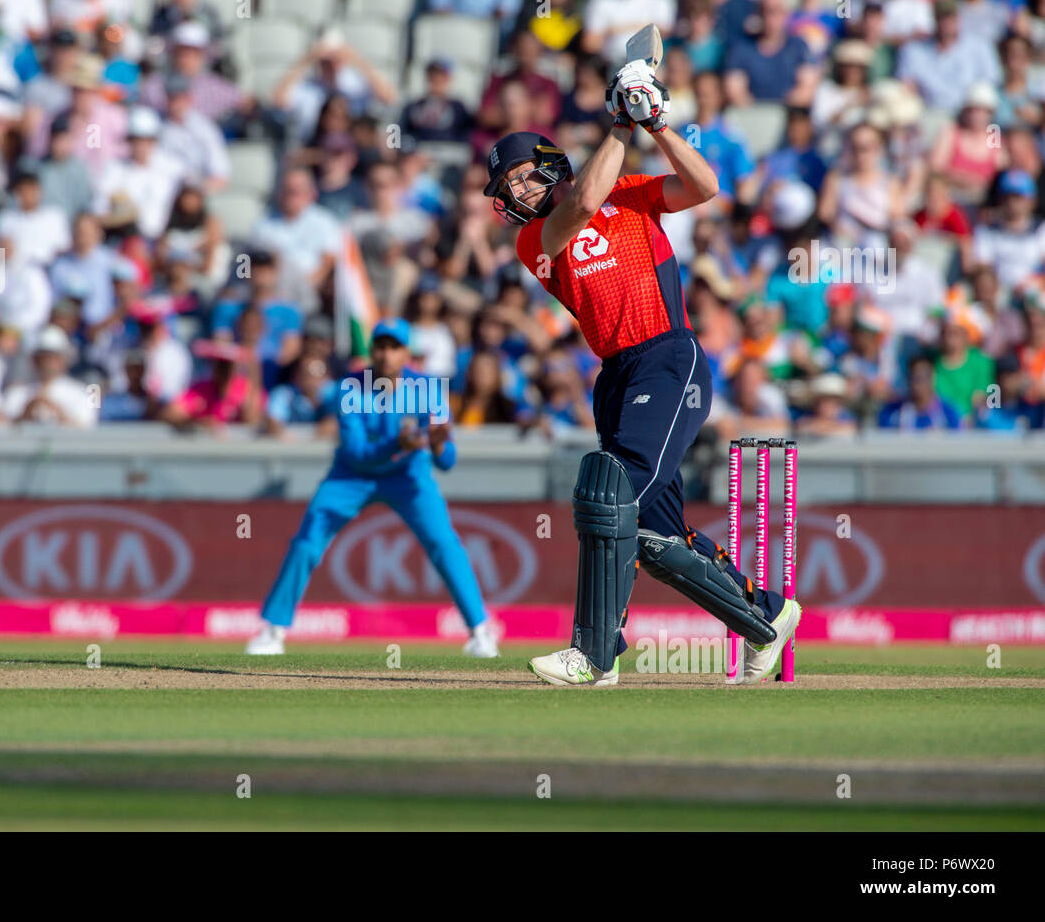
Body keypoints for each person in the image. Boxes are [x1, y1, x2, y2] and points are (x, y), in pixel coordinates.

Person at [483, 59, 796, 687]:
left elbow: (704, 187)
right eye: (507, 186)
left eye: (520, 176)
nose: (515, 193)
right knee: (655, 540)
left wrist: (655, 122)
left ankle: (594, 654)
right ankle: (768, 619)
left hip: (668, 357)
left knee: (610, 490)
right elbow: (581, 206)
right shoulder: (537, 238)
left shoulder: (631, 196)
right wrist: (620, 123)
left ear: (548, 161)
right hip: (617, 375)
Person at [246, 319, 497, 659]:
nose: (386, 354)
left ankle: (480, 633)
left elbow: (447, 461)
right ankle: (272, 630)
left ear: (406, 353)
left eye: (394, 347)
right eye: (380, 345)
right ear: (372, 350)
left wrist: (438, 445)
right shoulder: (350, 387)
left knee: (444, 543)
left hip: (408, 476)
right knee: (307, 541)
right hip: (352, 476)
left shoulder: (429, 388)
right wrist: (399, 441)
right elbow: (356, 454)